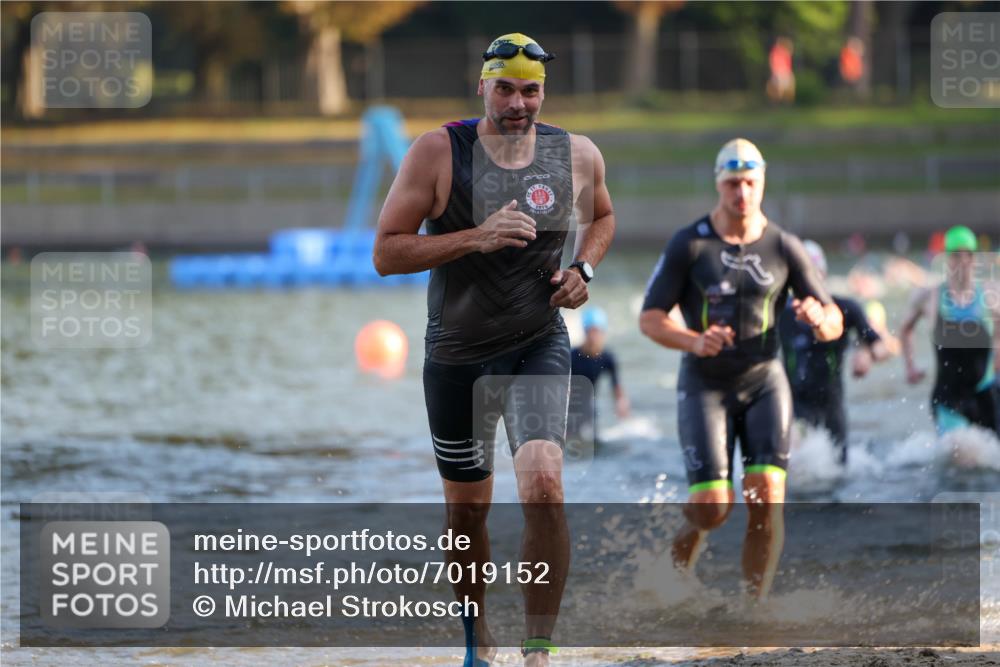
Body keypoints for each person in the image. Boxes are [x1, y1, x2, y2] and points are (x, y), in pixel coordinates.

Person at [373, 32, 616, 667]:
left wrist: (583, 272)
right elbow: (386, 252)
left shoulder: (576, 154)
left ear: (544, 93)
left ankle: (538, 649)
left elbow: (605, 217)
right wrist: (473, 238)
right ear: (481, 85)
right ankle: (479, 640)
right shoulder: (437, 152)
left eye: (530, 90)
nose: (517, 103)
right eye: (504, 88)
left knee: (544, 485)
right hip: (456, 357)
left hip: (538, 341)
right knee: (468, 511)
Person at [639, 138, 843, 599]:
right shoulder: (690, 243)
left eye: (751, 182)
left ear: (762, 182)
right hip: (704, 386)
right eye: (733, 183)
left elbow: (833, 320)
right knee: (714, 507)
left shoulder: (785, 246)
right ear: (719, 184)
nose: (742, 193)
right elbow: (649, 319)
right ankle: (670, 577)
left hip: (765, 383)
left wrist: (819, 318)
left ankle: (756, 607)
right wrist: (694, 340)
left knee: (766, 496)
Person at [778, 240, 891, 463]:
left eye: (811, 274)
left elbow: (881, 346)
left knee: (838, 471)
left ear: (822, 274)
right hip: (795, 405)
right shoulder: (781, 312)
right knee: (796, 459)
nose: (806, 284)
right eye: (798, 278)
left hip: (831, 404)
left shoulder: (845, 308)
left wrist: (866, 354)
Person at [900, 225, 999, 436]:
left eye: (968, 256)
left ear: (975, 259)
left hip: (986, 395)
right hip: (948, 399)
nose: (963, 262)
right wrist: (910, 365)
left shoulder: (991, 295)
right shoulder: (928, 297)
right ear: (946, 259)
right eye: (956, 256)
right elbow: (905, 329)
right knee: (964, 456)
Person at [567, 307, 630, 452]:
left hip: (589, 404)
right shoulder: (573, 355)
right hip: (570, 404)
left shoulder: (607, 357)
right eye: (590, 331)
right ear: (585, 332)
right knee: (571, 441)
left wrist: (621, 403)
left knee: (592, 441)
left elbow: (616, 385)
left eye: (597, 331)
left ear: (603, 332)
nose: (593, 336)